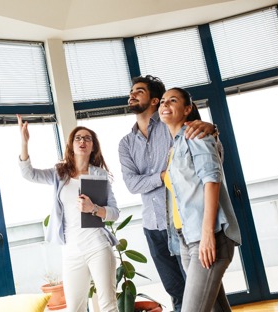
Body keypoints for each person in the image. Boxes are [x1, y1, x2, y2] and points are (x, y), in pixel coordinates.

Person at [118, 75, 218, 312]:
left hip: (183, 225)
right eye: (131, 91)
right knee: (176, 291)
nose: (131, 95)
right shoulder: (126, 143)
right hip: (153, 227)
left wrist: (213, 127)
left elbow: (204, 153)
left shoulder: (173, 125)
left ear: (155, 100)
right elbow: (132, 184)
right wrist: (161, 177)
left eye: (138, 91)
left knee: (200, 292)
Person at [17, 114, 120, 312]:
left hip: (97, 246)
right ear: (71, 145)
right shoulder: (60, 174)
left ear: (93, 147)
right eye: (78, 138)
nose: (82, 141)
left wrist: (94, 209)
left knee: (108, 306)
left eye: (87, 138)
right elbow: (28, 173)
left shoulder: (98, 175)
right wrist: (24, 143)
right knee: (75, 309)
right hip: (71, 251)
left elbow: (115, 213)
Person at [158, 87, 241, 312]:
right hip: (186, 238)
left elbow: (211, 181)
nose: (165, 104)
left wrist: (207, 236)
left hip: (207, 237)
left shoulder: (196, 135)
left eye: (172, 100)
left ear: (187, 109)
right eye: (163, 101)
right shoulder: (174, 148)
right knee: (216, 309)